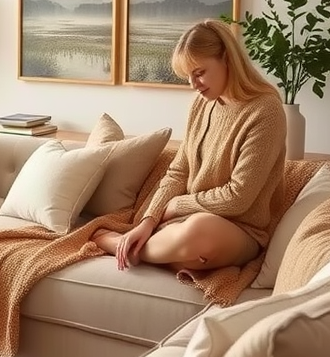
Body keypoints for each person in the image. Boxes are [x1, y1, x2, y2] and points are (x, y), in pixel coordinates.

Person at [93, 19, 287, 272]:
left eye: (199, 73)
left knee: (200, 233)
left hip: (239, 229)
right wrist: (148, 221)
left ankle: (117, 243)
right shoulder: (201, 104)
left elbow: (238, 198)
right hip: (186, 221)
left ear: (227, 59)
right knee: (192, 250)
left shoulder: (265, 111)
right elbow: (178, 172)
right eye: (188, 76)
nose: (194, 85)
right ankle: (155, 248)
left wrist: (177, 205)